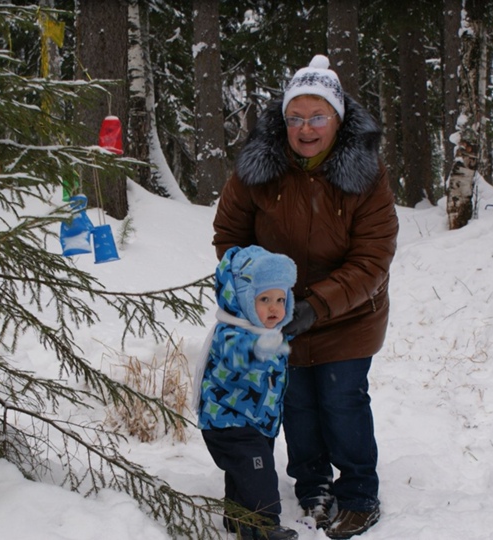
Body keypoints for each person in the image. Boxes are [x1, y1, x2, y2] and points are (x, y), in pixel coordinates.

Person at [213, 54, 399, 538]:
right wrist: (257, 294)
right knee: (294, 405)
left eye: (318, 117)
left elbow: (373, 258)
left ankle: (358, 493)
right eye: (295, 117)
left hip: (349, 314)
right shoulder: (258, 169)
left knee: (342, 400)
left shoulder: (367, 173)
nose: (306, 129)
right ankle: (313, 487)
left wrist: (316, 304)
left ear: (337, 119)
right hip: (277, 314)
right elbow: (230, 235)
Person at [195, 245, 299, 540]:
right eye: (264, 299)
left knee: (244, 473)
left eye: (281, 299)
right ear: (241, 297)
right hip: (229, 422)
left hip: (255, 420)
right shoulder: (232, 333)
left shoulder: (269, 331)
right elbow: (237, 355)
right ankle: (264, 526)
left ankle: (237, 519)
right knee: (259, 472)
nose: (274, 308)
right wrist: (259, 348)